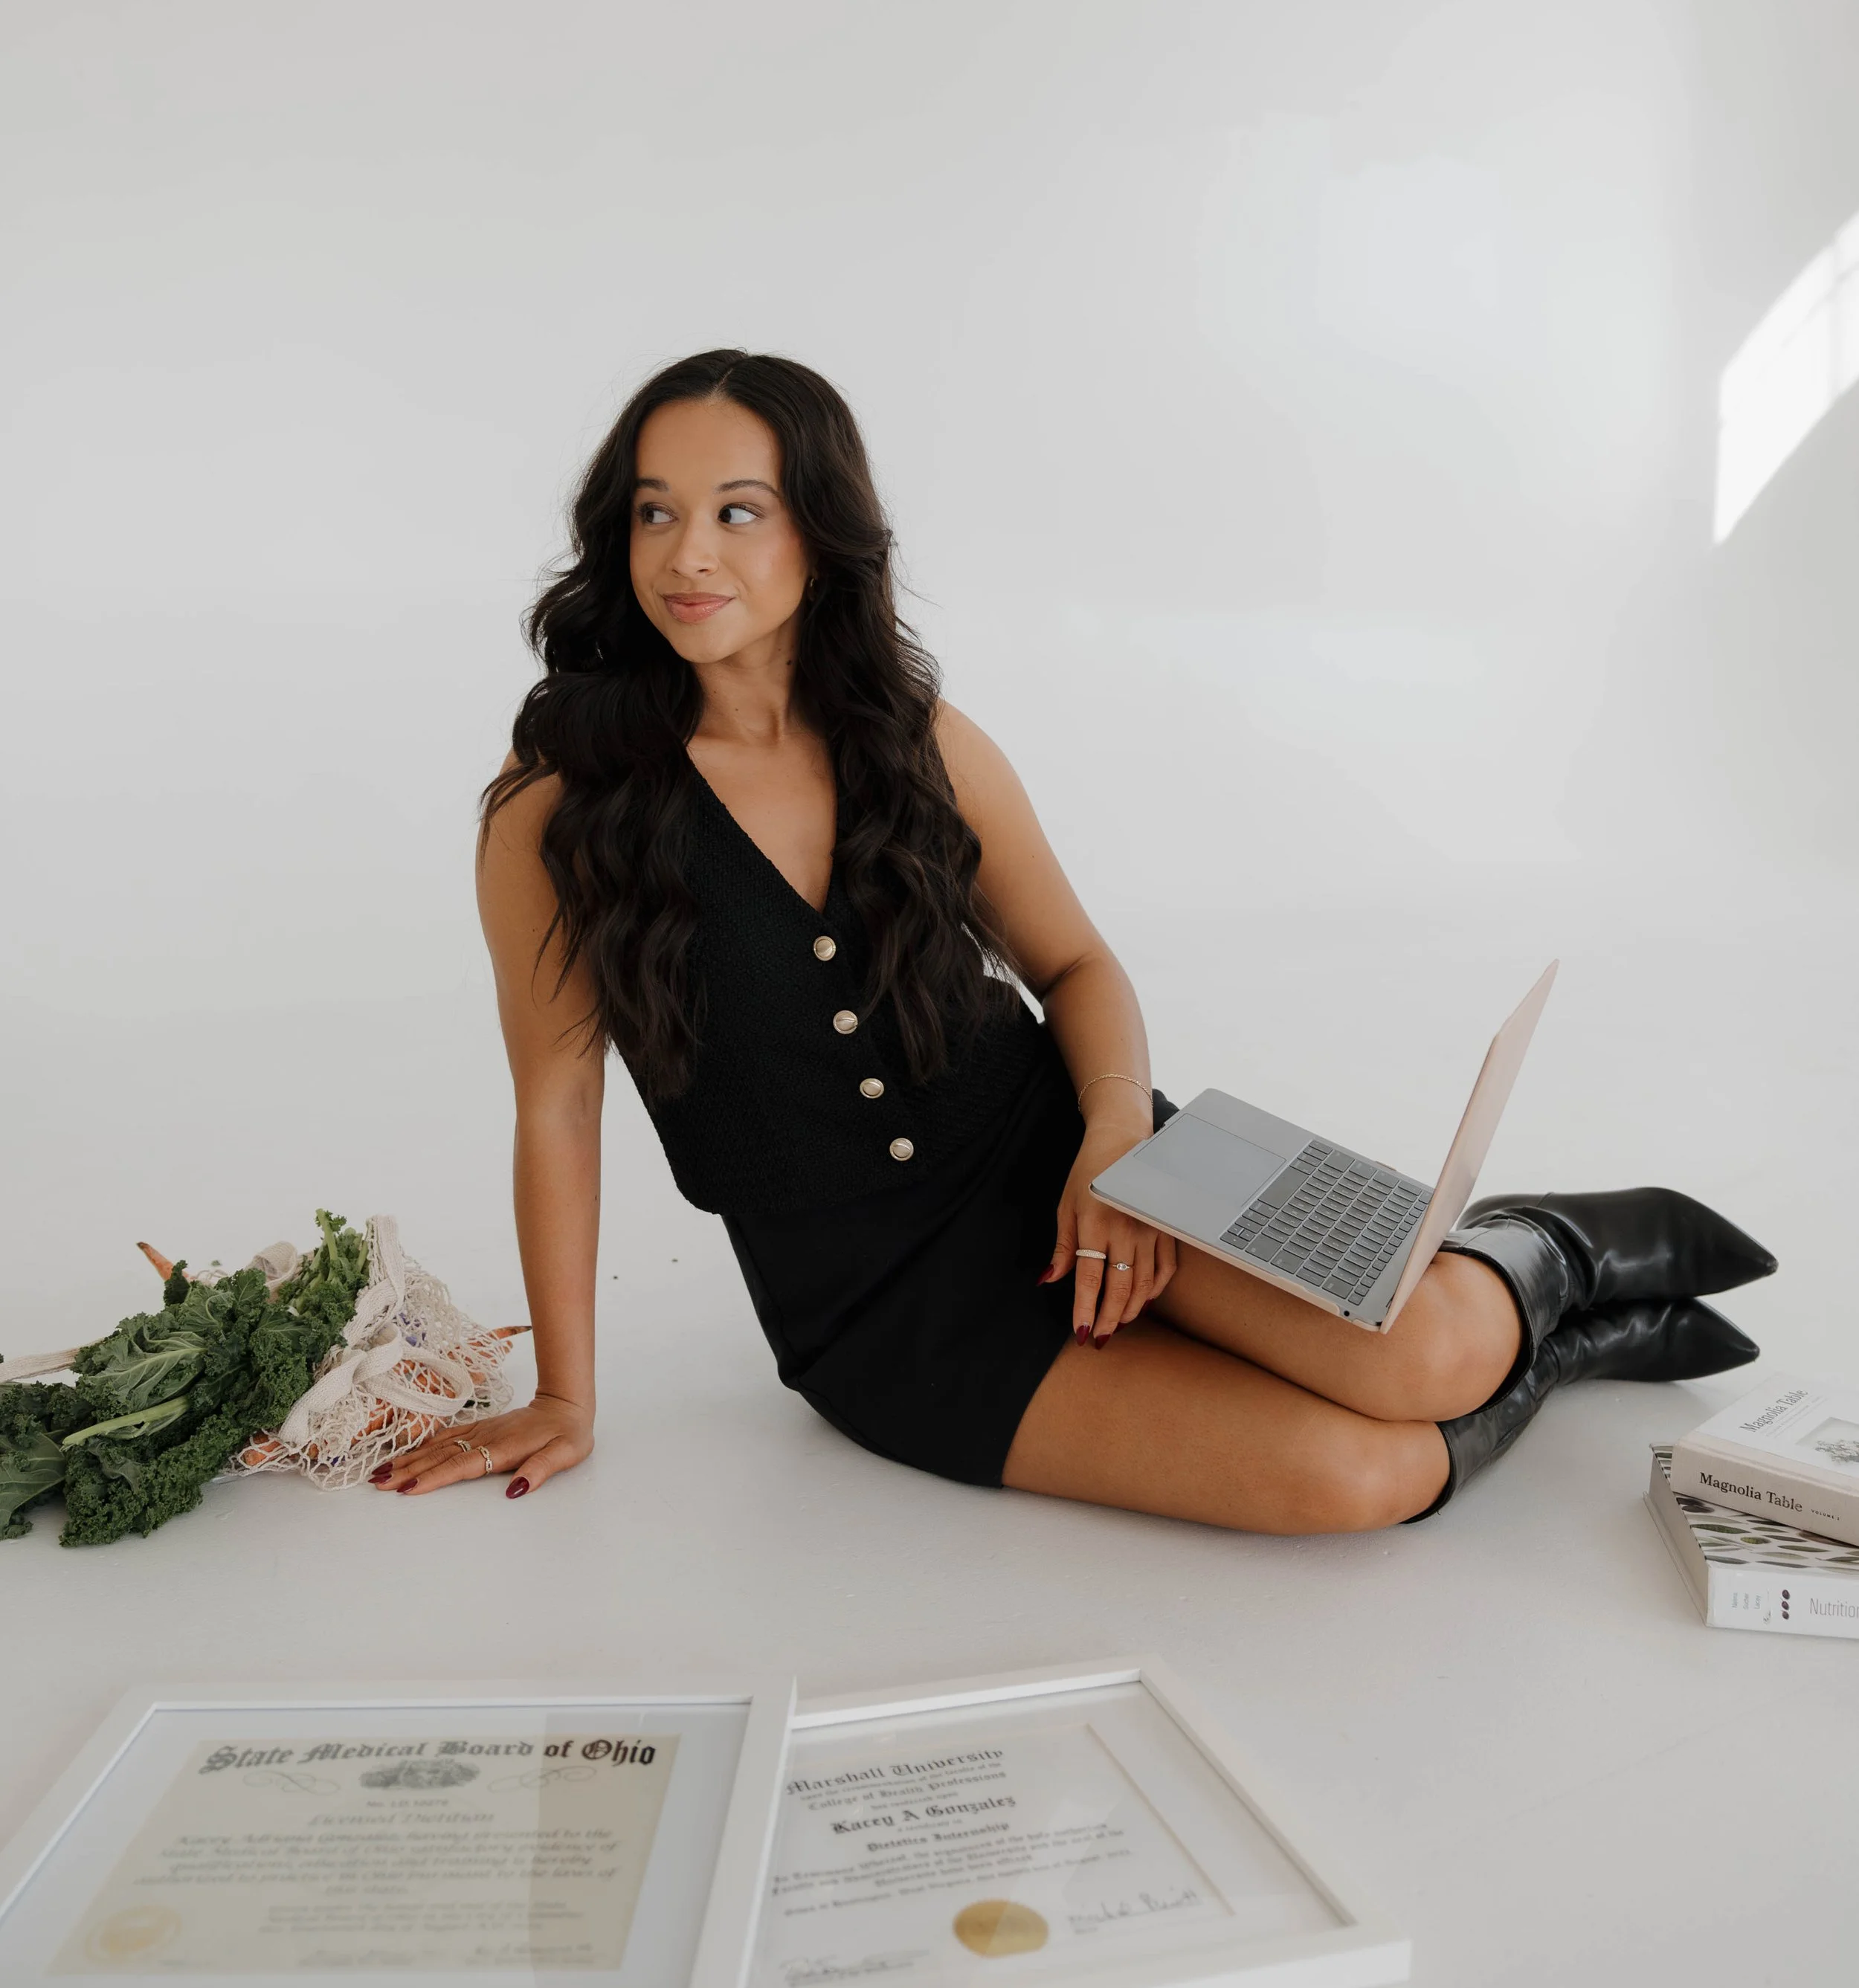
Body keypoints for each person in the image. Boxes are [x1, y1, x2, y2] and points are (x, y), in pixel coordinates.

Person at [376, 351, 1776, 1529]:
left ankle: (1558, 1252)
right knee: (1370, 1472)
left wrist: (1113, 1140)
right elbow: (556, 1107)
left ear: (821, 528)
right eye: (655, 512)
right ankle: (1584, 1348)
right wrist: (566, 1390)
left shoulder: (917, 738)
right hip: (886, 1310)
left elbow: (1078, 969)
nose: (690, 555)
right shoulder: (560, 806)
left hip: (1105, 1159)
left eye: (740, 511)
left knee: (1432, 1349)